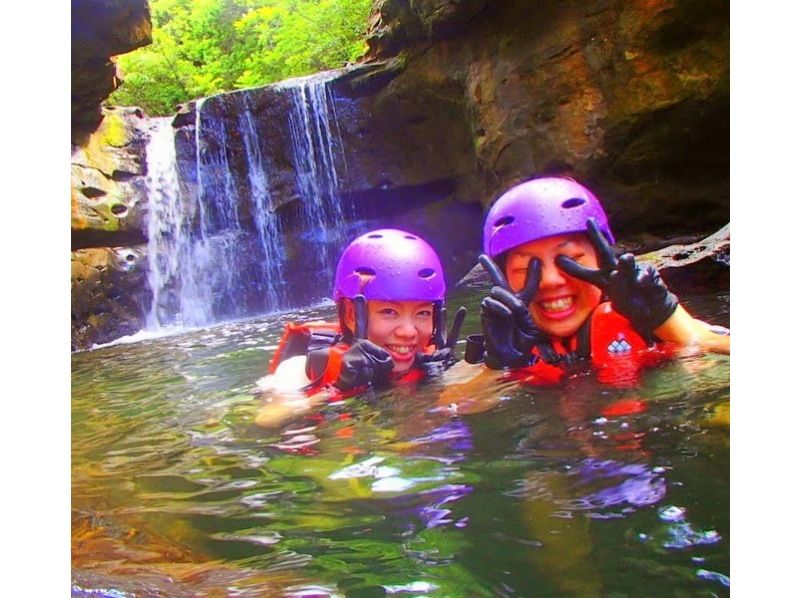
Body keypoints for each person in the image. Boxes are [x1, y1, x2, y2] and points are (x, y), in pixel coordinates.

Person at [471, 176, 729, 372]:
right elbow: (456, 408)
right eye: (527, 269)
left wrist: (666, 319)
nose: (550, 280)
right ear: (501, 278)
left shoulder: (651, 325)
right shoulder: (501, 347)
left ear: (604, 258)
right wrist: (500, 367)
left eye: (571, 260)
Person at [260, 228, 466, 400]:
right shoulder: (303, 369)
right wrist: (339, 389)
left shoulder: (432, 364)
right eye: (389, 311)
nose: (408, 331)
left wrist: (488, 363)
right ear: (351, 315)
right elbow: (270, 420)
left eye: (422, 313)